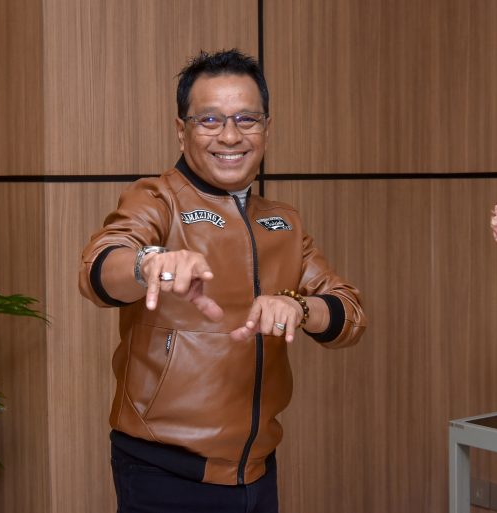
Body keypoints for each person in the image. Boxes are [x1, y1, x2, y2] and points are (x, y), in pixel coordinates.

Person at [79, 48, 366, 513]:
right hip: (164, 471)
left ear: (267, 129)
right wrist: (148, 264)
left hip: (257, 470)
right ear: (182, 130)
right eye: (209, 120)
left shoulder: (283, 222)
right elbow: (99, 267)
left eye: (247, 119)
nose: (230, 136)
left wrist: (300, 307)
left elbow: (349, 314)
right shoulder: (156, 199)